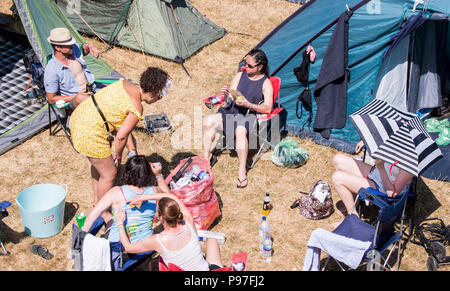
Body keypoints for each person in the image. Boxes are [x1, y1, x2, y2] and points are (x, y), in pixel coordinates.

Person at [69, 66, 171, 222]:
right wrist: (117, 156)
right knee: (109, 173)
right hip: (89, 131)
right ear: (154, 93)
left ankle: (97, 199)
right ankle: (103, 211)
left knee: (99, 164)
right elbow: (121, 136)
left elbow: (117, 122)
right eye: (160, 96)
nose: (159, 99)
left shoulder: (124, 84)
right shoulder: (137, 107)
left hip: (79, 117)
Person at [44, 27, 137, 156]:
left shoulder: (74, 49)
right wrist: (75, 96)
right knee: (92, 102)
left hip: (92, 91)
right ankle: (107, 134)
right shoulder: (52, 70)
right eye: (68, 45)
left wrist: (91, 47)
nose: (72, 45)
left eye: (71, 42)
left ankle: (132, 151)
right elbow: (51, 99)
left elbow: (84, 48)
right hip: (73, 102)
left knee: (117, 104)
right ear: (57, 47)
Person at [81, 155, 169, 269]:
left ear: (126, 171)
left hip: (118, 249)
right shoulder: (154, 191)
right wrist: (158, 175)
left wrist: (81, 238)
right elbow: (169, 197)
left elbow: (93, 215)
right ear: (147, 173)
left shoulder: (116, 192)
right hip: (145, 248)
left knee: (109, 220)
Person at [202, 49, 273, 188]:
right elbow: (229, 101)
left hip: (248, 116)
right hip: (230, 112)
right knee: (208, 121)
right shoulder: (240, 75)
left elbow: (268, 108)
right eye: (245, 63)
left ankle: (242, 171)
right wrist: (226, 95)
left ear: (260, 67)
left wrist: (249, 104)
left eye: (249, 65)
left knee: (240, 131)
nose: (245, 67)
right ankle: (206, 159)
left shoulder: (266, 83)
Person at [113, 193, 224, 271]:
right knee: (212, 241)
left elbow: (128, 247)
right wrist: (142, 197)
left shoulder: (157, 240)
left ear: (161, 218)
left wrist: (119, 222)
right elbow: (171, 197)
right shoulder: (188, 221)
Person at [331, 140, 414, 217]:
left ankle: (353, 217)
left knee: (337, 178)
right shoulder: (398, 145)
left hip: (381, 188)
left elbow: (391, 194)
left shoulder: (409, 165)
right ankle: (354, 201)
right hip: (375, 174)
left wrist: (381, 168)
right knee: (337, 160)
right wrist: (366, 141)